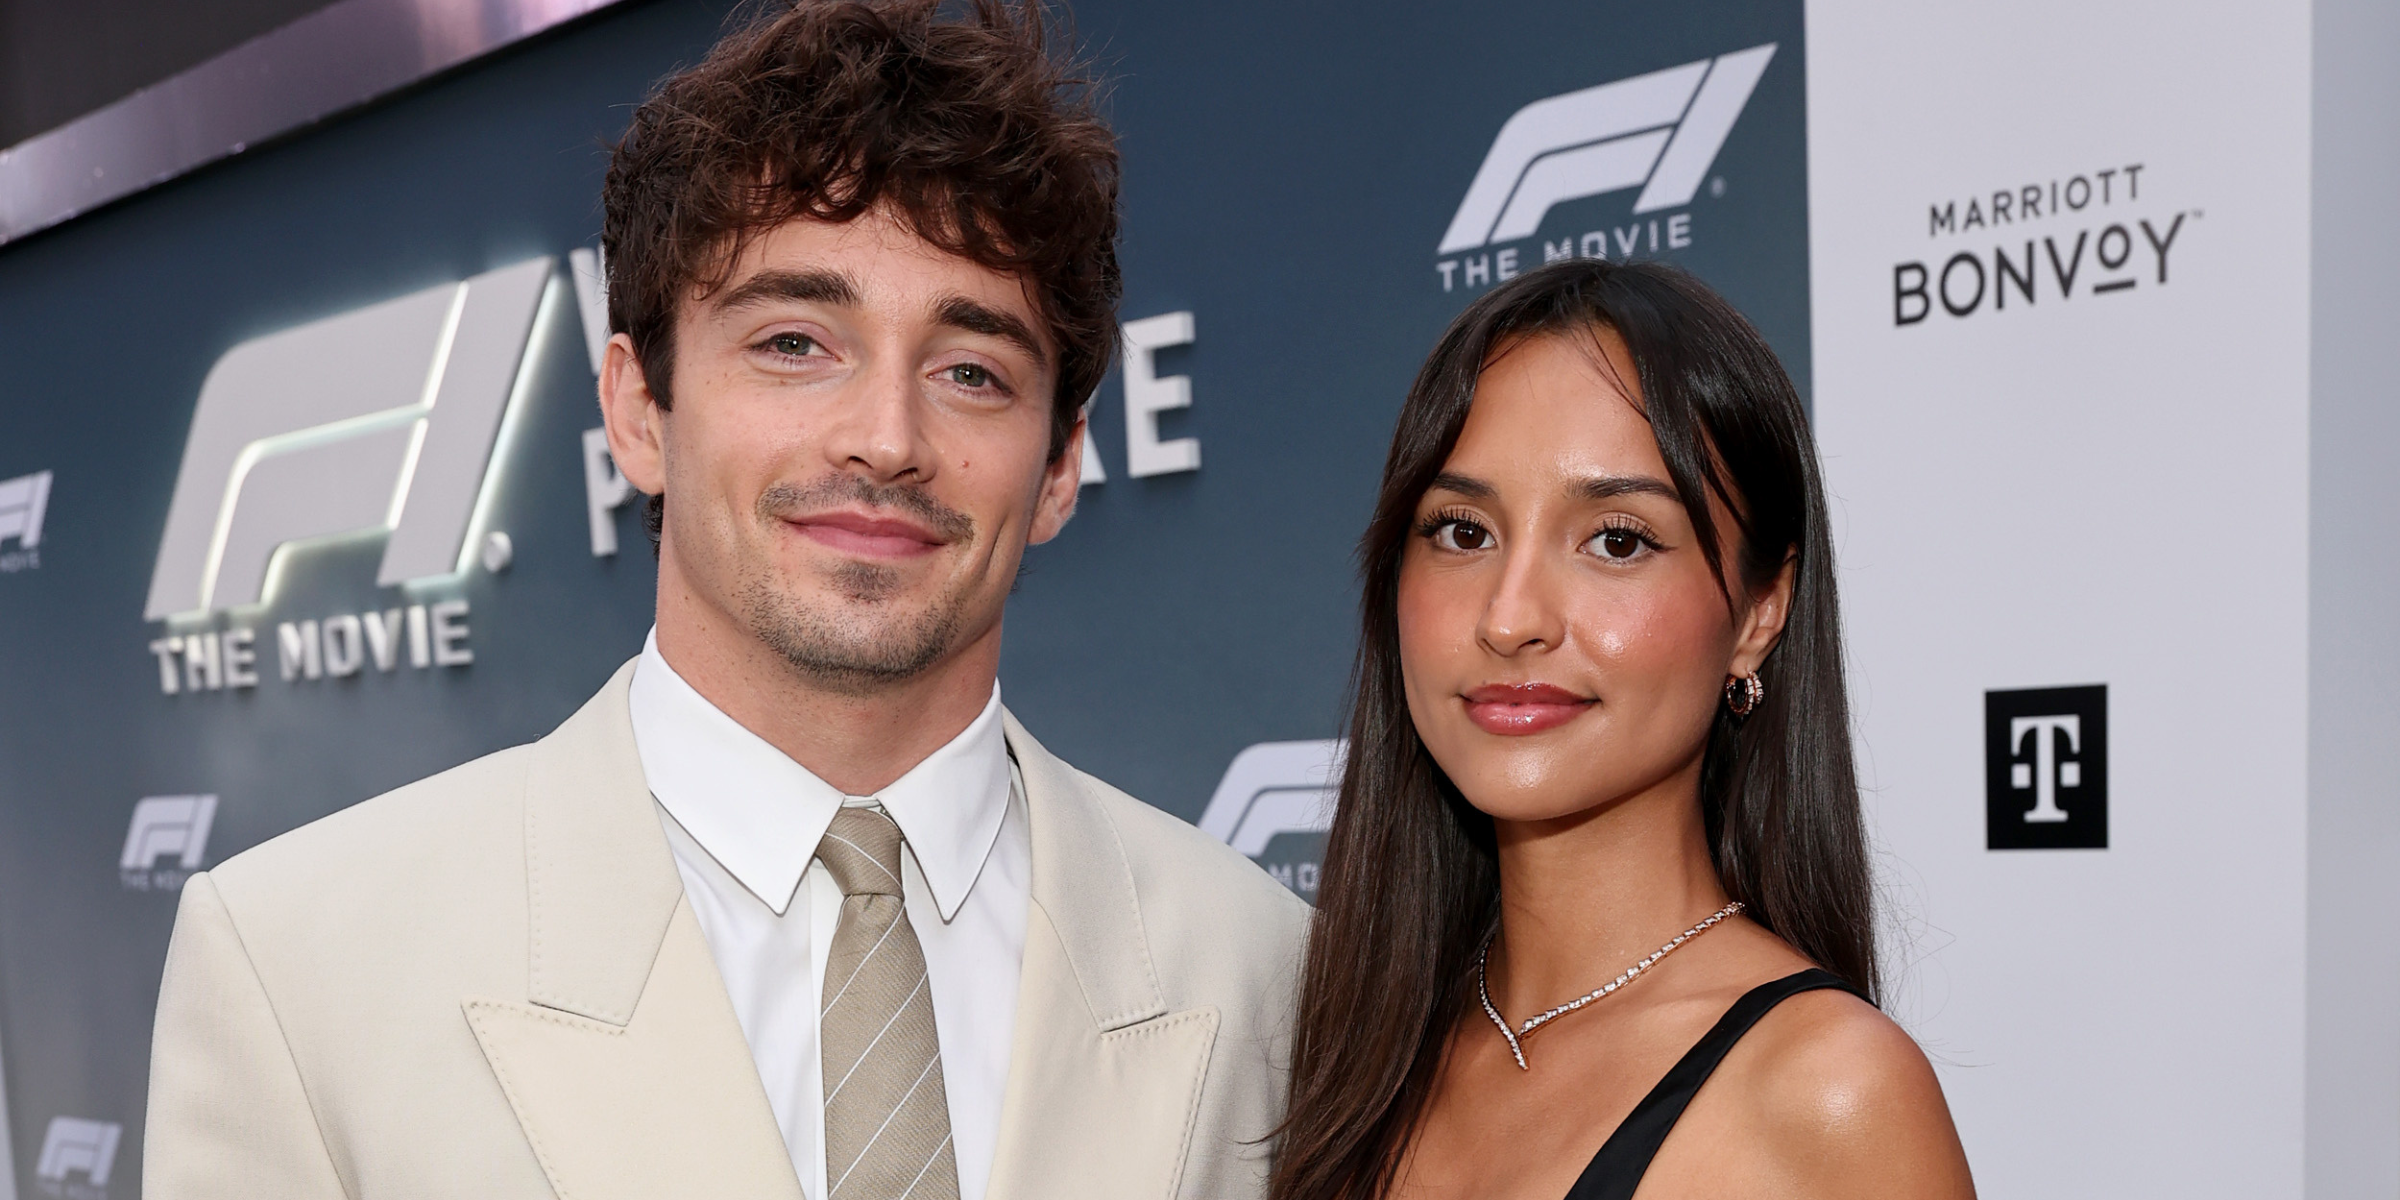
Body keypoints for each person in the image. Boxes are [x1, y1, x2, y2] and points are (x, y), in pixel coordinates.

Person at [143, 4, 1307, 1198]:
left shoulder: (1263, 971)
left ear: (1058, 468)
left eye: (971, 371)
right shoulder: (296, 967)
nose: (886, 438)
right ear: (640, 408)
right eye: (796, 342)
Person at [1268, 259, 1975, 1200]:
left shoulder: (1828, 1095)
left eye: (1617, 540)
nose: (1511, 616)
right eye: (1462, 532)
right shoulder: (1352, 1055)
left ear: (1761, 611)